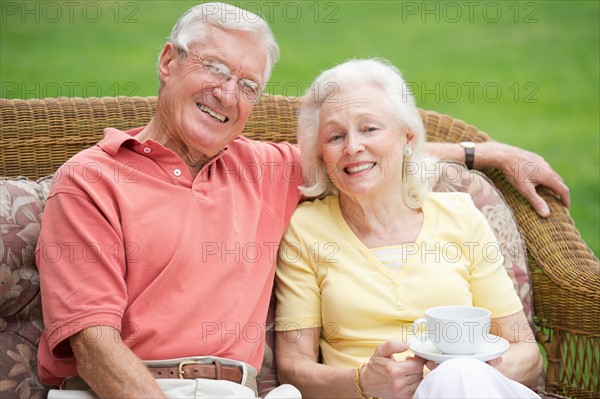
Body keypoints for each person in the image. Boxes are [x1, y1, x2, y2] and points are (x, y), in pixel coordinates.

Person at [35, 3, 565, 398]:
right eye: (215, 69)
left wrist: (492, 153)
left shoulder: (262, 169)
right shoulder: (91, 181)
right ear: (168, 61)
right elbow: (95, 347)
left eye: (248, 84)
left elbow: (370, 150)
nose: (227, 95)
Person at [274, 58, 543, 398]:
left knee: (458, 375)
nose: (353, 147)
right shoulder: (308, 229)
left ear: (408, 138)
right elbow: (294, 368)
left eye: (370, 128)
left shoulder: (461, 215)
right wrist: (363, 381)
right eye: (335, 136)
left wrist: (480, 371)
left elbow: (526, 351)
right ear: (321, 155)